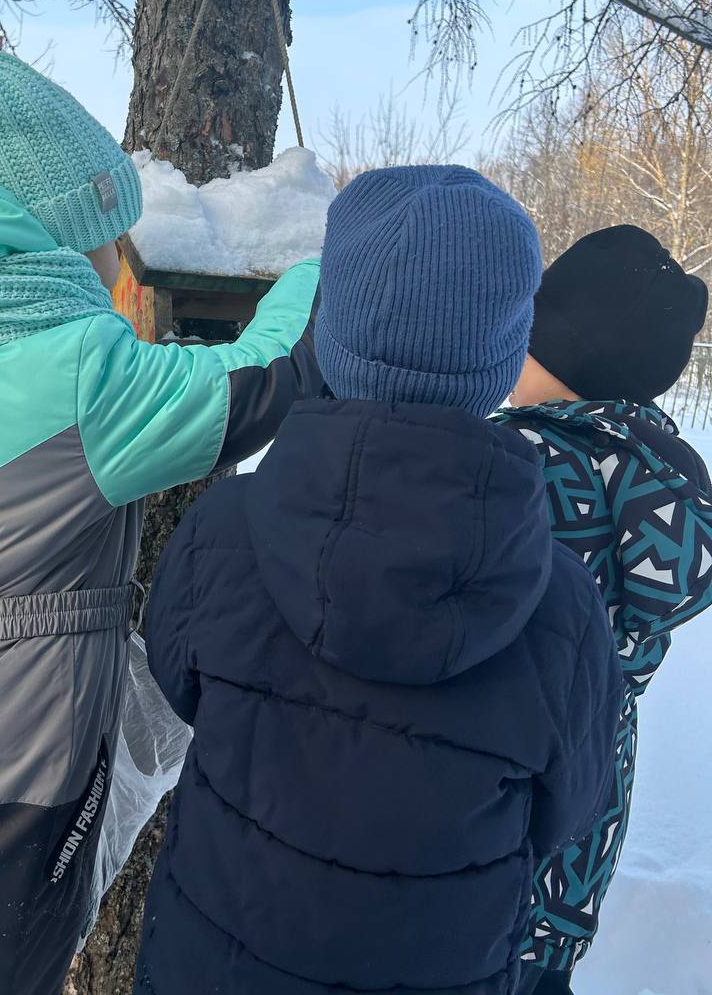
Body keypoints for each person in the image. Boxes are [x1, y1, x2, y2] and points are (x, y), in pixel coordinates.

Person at [0, 46, 322, 995]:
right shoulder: (85, 371)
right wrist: (313, 276)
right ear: (52, 239)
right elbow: (258, 385)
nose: (118, 262)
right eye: (106, 237)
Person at [134, 166, 624, 995]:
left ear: (330, 332)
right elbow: (569, 810)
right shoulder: (564, 610)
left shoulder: (224, 531)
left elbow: (175, 683)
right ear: (505, 359)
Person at [495, 225, 712, 995]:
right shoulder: (655, 476)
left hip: (487, 812)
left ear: (565, 349)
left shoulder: (527, 464)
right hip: (582, 822)